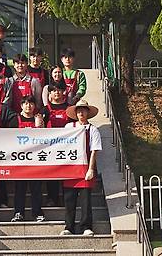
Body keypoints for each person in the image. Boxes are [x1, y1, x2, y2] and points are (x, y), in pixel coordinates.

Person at [61, 99, 102, 237]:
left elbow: (94, 150)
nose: (81, 113)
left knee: (85, 200)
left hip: (85, 167)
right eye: (79, 110)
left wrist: (91, 169)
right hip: (70, 167)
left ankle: (86, 226)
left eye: (83, 110)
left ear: (88, 112)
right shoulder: (68, 127)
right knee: (69, 199)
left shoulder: (93, 130)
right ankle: (69, 226)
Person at [10, 96, 46, 222]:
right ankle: (18, 212)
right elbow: (8, 138)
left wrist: (39, 127)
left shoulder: (39, 120)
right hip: (20, 161)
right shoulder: (15, 119)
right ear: (21, 106)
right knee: (20, 189)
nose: (28, 106)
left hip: (35, 161)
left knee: (36, 188)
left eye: (31, 103)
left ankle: (37, 213)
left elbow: (45, 139)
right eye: (25, 103)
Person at [44, 84, 73, 206]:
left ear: (64, 92)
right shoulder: (45, 109)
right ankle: (52, 198)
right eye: (53, 91)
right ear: (49, 93)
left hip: (67, 147)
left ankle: (68, 199)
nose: (56, 93)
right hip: (50, 148)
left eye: (59, 90)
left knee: (67, 175)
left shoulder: (70, 109)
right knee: (52, 174)